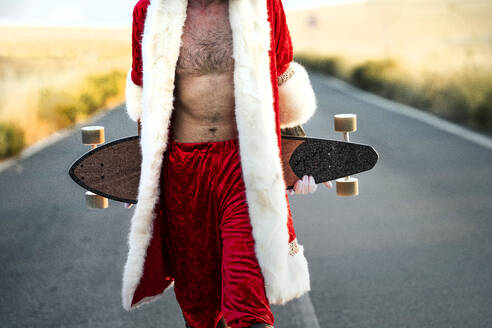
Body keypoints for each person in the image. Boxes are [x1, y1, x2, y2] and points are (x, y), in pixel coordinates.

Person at [122, 0, 331, 327]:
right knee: (199, 307)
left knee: (246, 299)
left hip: (243, 167)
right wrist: (142, 181)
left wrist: (299, 156)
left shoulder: (263, 6)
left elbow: (278, 81)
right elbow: (147, 97)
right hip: (182, 173)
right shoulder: (150, 11)